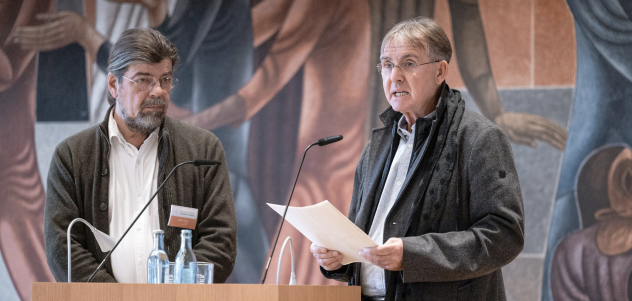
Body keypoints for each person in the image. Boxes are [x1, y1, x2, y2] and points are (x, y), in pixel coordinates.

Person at [310, 17, 524, 300]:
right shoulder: (377, 145)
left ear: (440, 71)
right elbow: (362, 237)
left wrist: (412, 255)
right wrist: (338, 258)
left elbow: (504, 235)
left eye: (408, 64)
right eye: (387, 65)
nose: (394, 76)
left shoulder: (478, 139)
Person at [44, 28, 237, 283]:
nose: (158, 91)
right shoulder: (71, 157)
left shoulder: (203, 151)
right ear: (114, 84)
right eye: (144, 80)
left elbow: (220, 241)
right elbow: (62, 247)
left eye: (165, 80)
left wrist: (169, 297)